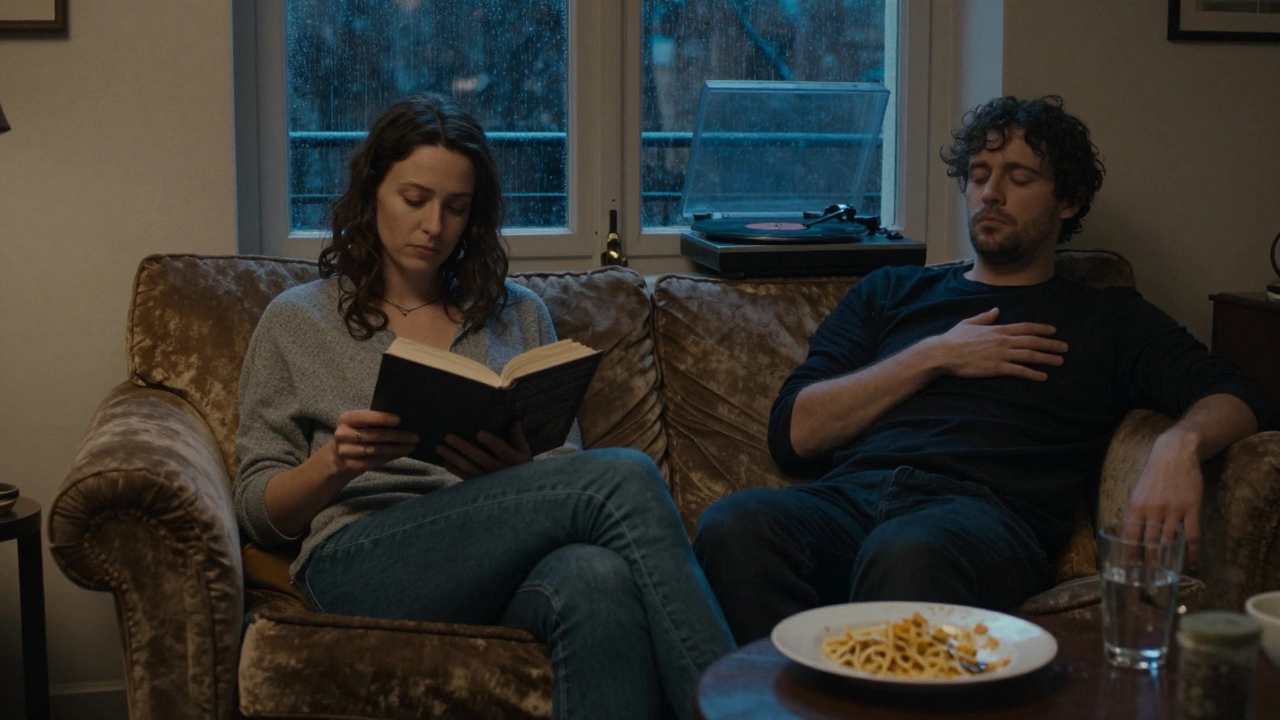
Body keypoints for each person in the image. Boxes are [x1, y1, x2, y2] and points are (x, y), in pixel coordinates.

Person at [692, 95, 1276, 644]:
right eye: (978, 176)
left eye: (1018, 178)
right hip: (852, 499)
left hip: (983, 517)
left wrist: (1177, 447)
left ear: (1068, 201)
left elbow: (1239, 391)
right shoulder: (889, 292)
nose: (990, 193)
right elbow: (793, 434)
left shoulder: (1107, 317)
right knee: (735, 525)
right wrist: (935, 355)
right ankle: (786, 697)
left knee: (907, 550)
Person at [234, 93, 733, 720]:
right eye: (414, 199)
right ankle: (739, 706)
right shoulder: (297, 319)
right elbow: (256, 512)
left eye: (456, 208)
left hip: (498, 559)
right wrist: (335, 463)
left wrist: (513, 472)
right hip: (359, 559)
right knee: (626, 476)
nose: (434, 226)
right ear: (372, 192)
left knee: (596, 580)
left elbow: (565, 466)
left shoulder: (517, 313)